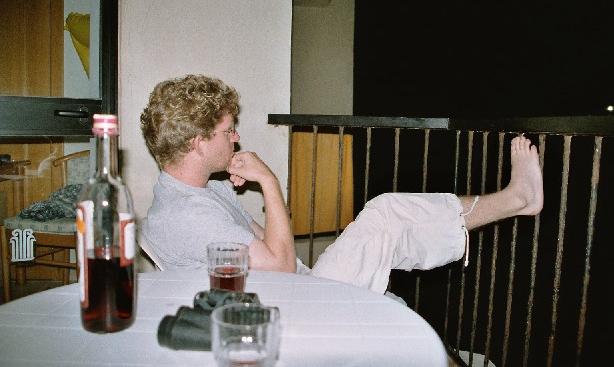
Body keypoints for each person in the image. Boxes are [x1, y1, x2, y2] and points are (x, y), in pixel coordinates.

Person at [140, 74, 543, 295]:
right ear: (198, 143)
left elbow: (271, 244)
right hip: (289, 305)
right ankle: (516, 199)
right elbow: (280, 264)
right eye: (228, 130)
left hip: (295, 287)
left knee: (389, 225)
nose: (236, 137)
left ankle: (515, 200)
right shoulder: (187, 214)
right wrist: (269, 182)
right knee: (386, 214)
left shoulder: (205, 190)